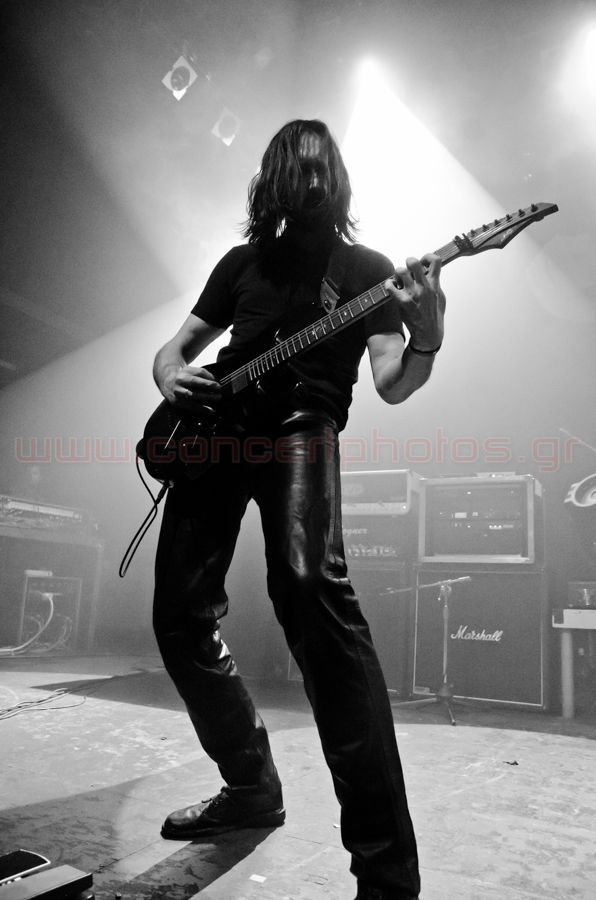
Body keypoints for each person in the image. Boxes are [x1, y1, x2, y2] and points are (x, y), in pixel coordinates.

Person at [151, 119, 445, 900]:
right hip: (216, 432)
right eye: (299, 168)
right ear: (275, 179)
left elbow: (393, 381)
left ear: (338, 180)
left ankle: (386, 872)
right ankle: (250, 786)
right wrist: (171, 375)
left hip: (303, 431)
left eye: (324, 169)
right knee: (178, 616)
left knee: (315, 595)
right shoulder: (240, 264)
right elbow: (175, 349)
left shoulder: (367, 271)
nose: (313, 181)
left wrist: (427, 334)